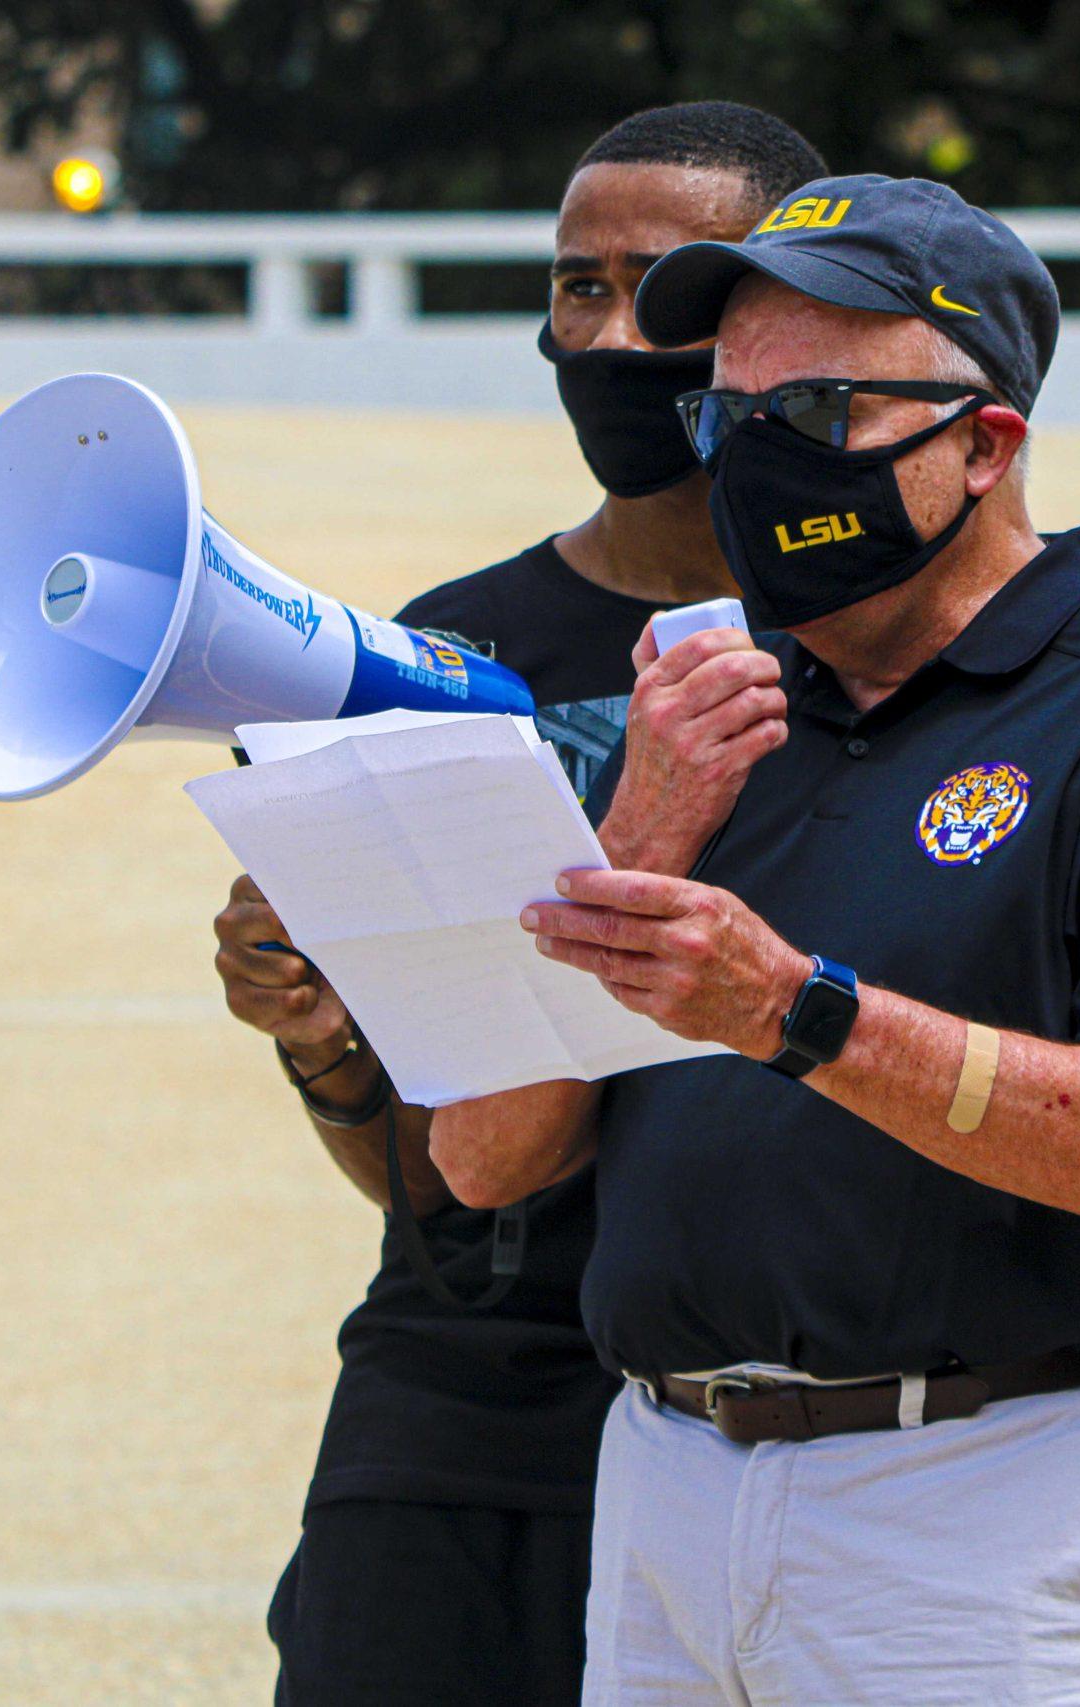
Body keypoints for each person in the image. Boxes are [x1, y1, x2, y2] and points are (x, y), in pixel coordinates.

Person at [429, 175, 1080, 1705]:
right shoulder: (696, 712)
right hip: (666, 1479)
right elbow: (483, 1158)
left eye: (826, 410)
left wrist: (797, 1012)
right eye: (731, 417)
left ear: (985, 445)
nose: (760, 462)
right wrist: (640, 829)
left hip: (994, 1498)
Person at [210, 103, 828, 1707]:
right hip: (458, 1429)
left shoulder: (889, 652)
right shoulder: (446, 655)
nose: (613, 336)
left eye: (663, 287)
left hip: (755, 1424)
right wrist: (320, 1035)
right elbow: (430, 1184)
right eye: (574, 288)